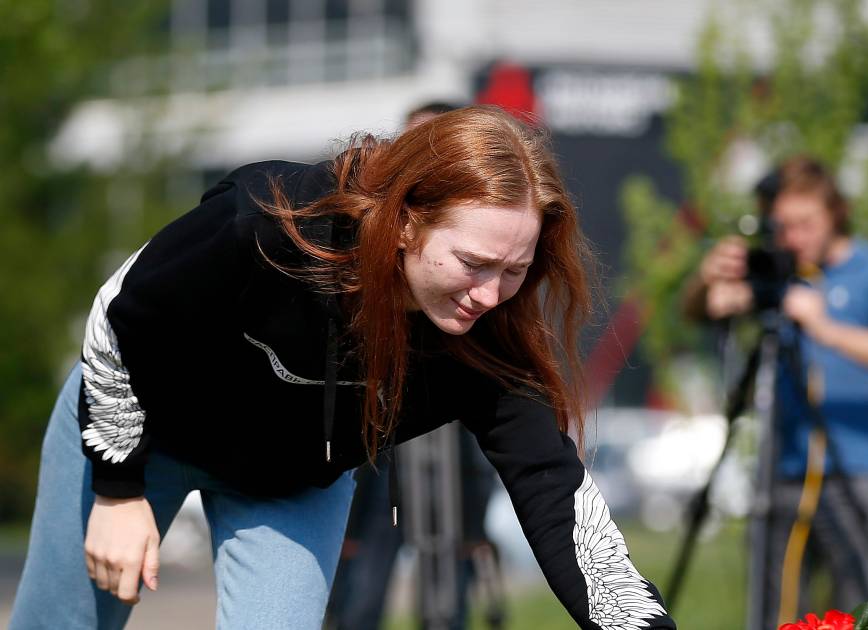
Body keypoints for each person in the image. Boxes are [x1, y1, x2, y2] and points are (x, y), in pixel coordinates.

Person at [11, 105, 677, 630]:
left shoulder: (487, 337)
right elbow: (119, 314)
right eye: (473, 264)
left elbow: (555, 496)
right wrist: (118, 490)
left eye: (515, 269)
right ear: (409, 222)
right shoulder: (270, 223)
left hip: (290, 484)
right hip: (141, 431)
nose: (491, 294)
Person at [684, 156, 868, 627]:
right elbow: (703, 307)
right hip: (783, 474)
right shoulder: (781, 273)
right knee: (777, 614)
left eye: (805, 224)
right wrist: (707, 274)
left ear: (836, 214)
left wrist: (826, 327)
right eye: (783, 226)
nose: (793, 237)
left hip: (857, 472)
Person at [324, 100, 502, 630]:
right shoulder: (353, 243)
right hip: (375, 460)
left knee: (447, 602)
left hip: (452, 463)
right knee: (359, 596)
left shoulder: (489, 266)